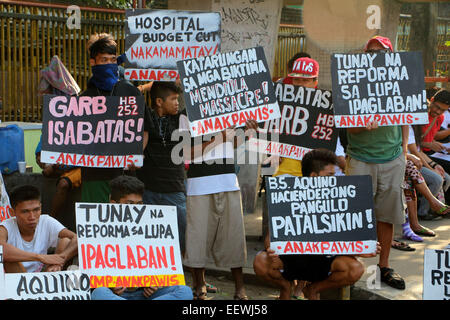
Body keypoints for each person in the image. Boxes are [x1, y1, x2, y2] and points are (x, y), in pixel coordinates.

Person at [253, 149, 380, 300]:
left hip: (323, 262)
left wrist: (363, 247)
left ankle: (313, 289)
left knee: (355, 268)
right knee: (260, 261)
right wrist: (271, 250)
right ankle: (286, 287)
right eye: (330, 175)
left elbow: (348, 238)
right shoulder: (289, 196)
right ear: (314, 176)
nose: (334, 179)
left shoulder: (342, 199)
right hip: (291, 261)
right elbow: (270, 237)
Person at [345, 36, 408, 290]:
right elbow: (350, 127)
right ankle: (351, 264)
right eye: (372, 52)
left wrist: (403, 149)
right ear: (364, 55)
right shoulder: (354, 82)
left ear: (390, 56)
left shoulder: (401, 81)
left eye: (382, 53)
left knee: (386, 216)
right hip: (360, 158)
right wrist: (363, 125)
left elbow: (407, 115)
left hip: (392, 159)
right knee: (357, 214)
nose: (376, 56)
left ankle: (383, 266)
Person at [181, 111, 257, 300]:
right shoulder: (187, 115)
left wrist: (248, 133)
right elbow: (185, 152)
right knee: (197, 238)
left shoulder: (230, 113)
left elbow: (235, 144)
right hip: (199, 185)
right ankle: (199, 284)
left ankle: (240, 288)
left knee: (234, 236)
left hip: (228, 182)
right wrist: (218, 139)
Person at [91, 175, 193, 300]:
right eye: (129, 204)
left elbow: (162, 270)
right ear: (113, 203)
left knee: (184, 291)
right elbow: (92, 275)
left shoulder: (153, 230)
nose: (136, 210)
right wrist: (110, 285)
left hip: (147, 295)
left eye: (139, 204)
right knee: (99, 293)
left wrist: (156, 283)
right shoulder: (98, 231)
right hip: (117, 295)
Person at [79, 33, 147, 203]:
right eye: (104, 60)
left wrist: (136, 156)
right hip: (94, 175)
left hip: (125, 175)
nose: (109, 64)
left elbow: (144, 129)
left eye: (112, 60)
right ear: (92, 62)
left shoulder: (130, 92)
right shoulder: (83, 99)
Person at [136, 82, 187, 253]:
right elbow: (132, 95)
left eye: (177, 99)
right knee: (150, 241)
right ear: (159, 101)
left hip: (174, 190)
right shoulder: (146, 116)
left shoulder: (181, 119)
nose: (177, 103)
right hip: (148, 190)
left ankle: (176, 276)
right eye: (173, 99)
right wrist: (146, 87)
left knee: (179, 241)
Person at [0, 185, 78, 273]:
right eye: (25, 211)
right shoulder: (5, 227)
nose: (32, 217)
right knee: (10, 259)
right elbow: (1, 249)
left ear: (41, 207)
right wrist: (40, 257)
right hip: (16, 281)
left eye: (36, 210)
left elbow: (77, 239)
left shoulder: (46, 221)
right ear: (12, 212)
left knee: (66, 240)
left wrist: (60, 259)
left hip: (41, 276)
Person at [35, 138, 81, 219]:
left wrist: (58, 165)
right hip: (58, 163)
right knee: (43, 162)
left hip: (78, 167)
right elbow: (39, 155)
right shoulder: (54, 128)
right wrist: (49, 163)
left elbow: (83, 158)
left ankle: (52, 219)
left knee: (63, 184)